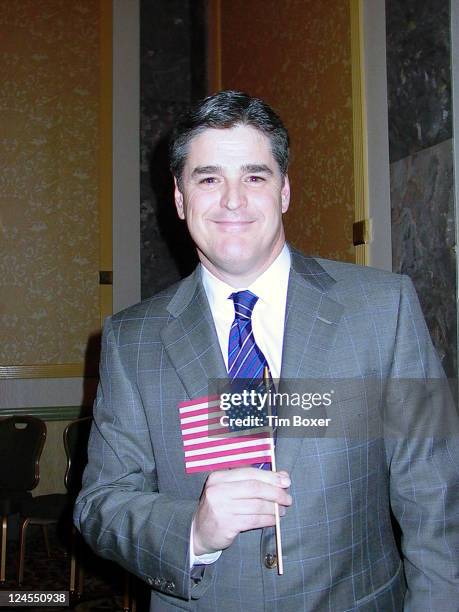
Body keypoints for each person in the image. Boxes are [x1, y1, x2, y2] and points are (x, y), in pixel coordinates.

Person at [74, 91, 459, 611]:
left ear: (284, 193)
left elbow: (435, 497)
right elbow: (99, 506)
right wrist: (194, 531)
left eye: (254, 176)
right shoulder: (129, 340)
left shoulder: (384, 308)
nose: (233, 199)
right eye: (209, 178)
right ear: (181, 198)